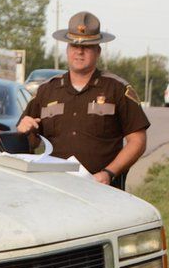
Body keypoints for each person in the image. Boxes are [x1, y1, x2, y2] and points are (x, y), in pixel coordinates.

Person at [17, 11, 149, 189]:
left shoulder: (117, 89)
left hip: (102, 189)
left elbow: (138, 141)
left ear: (98, 51)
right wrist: (25, 131)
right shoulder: (46, 91)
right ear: (67, 50)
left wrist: (109, 173)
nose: (79, 51)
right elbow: (32, 144)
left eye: (87, 47)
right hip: (54, 188)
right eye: (74, 46)